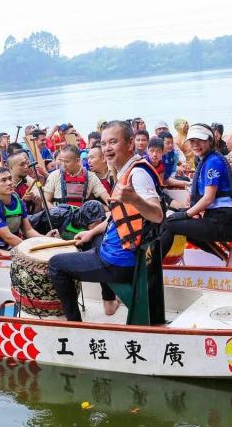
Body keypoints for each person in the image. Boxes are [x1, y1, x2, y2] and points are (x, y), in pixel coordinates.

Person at [48, 121, 165, 322]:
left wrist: (135, 199)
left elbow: (157, 215)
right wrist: (91, 232)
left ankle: (75, 324)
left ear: (130, 143)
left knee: (56, 265)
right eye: (103, 144)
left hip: (119, 261)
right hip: (128, 253)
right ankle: (109, 301)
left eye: (113, 142)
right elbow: (117, 215)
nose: (107, 148)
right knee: (92, 240)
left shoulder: (136, 174)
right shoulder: (128, 169)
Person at [158, 124, 232, 258]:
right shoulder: (210, 159)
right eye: (192, 141)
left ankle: (153, 267)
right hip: (221, 218)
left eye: (200, 140)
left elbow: (208, 198)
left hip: (223, 222)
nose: (195, 145)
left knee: (169, 223)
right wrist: (185, 213)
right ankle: (224, 257)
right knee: (175, 221)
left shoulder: (213, 162)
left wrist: (186, 214)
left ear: (210, 141)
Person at [0, 167, 49, 249]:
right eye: (3, 180)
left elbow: (28, 231)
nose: (9, 183)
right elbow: (8, 237)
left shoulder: (18, 201)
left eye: (10, 178)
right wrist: (34, 248)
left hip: (13, 245)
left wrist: (46, 240)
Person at [43, 145, 109, 206]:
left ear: (77, 161)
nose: (63, 165)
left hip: (82, 214)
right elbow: (45, 202)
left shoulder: (91, 177)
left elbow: (106, 198)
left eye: (66, 162)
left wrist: (111, 208)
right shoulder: (54, 176)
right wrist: (56, 212)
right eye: (61, 161)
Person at [29, 198, 108, 245]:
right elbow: (28, 225)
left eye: (101, 221)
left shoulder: (96, 225)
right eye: (96, 223)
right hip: (44, 242)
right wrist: (46, 238)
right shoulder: (57, 215)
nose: (99, 225)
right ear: (86, 220)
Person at [7, 150, 43, 215]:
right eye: (22, 165)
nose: (26, 166)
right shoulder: (4, 187)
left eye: (26, 163)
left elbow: (33, 216)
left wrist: (37, 203)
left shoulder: (27, 183)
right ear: (10, 167)